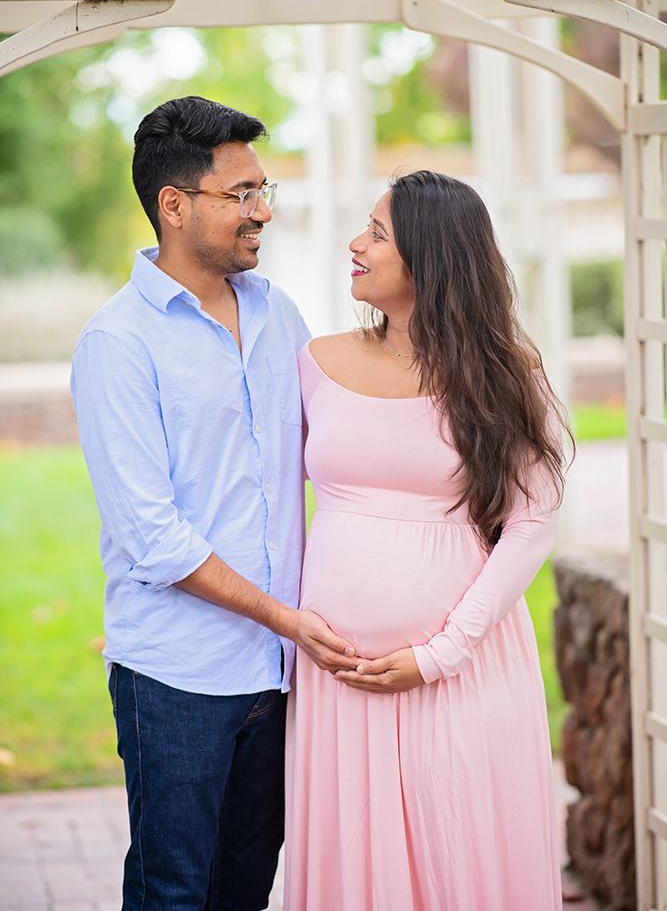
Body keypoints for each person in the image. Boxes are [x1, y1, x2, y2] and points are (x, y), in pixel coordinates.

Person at [71, 95, 362, 911]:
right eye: (240, 194)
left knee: (243, 890)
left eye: (263, 191)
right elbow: (153, 537)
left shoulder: (279, 316)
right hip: (177, 675)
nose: (261, 211)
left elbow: (335, 450)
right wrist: (285, 617)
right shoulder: (117, 343)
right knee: (173, 892)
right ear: (174, 205)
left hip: (275, 674)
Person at [284, 170, 572, 911]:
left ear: (430, 258)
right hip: (339, 678)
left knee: (464, 868)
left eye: (377, 233)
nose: (356, 244)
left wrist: (443, 653)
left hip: (463, 670)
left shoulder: (507, 375)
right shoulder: (315, 364)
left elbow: (534, 518)